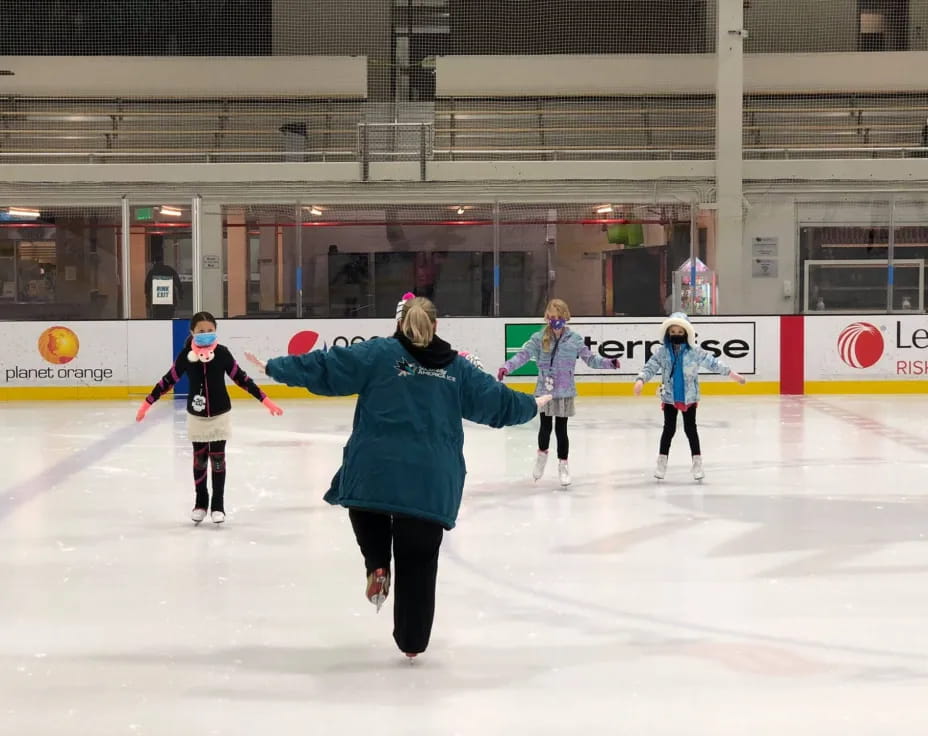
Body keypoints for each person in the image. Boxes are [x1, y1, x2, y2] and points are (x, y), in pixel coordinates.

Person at [244, 297, 548, 659]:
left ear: (400, 324)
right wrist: (532, 405)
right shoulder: (457, 369)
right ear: (435, 327)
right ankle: (412, 642)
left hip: (376, 468)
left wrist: (276, 368)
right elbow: (496, 403)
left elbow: (327, 367)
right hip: (430, 482)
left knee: (363, 502)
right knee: (418, 562)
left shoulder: (378, 353)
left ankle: (376, 561)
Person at [136, 311, 283, 524]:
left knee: (217, 458)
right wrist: (147, 403)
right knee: (200, 458)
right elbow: (168, 380)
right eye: (201, 331)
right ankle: (200, 503)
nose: (206, 334)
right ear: (192, 332)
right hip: (196, 416)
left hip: (220, 413)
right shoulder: (186, 355)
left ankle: (218, 505)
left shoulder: (222, 353)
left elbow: (242, 379)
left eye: (210, 331)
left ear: (216, 331)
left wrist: (266, 401)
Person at [496, 298, 620, 487]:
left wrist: (608, 363)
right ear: (547, 317)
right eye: (552, 317)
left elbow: (591, 359)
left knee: (561, 430)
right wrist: (507, 367)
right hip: (544, 390)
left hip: (565, 391)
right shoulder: (538, 339)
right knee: (545, 427)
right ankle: (541, 457)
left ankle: (563, 465)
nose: (555, 320)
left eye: (559, 316)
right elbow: (523, 355)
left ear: (565, 317)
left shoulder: (575, 340)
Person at [633, 311, 746, 480]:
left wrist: (732, 374)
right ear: (667, 333)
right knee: (668, 430)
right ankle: (661, 462)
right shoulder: (662, 352)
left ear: (686, 333)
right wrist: (641, 380)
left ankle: (697, 463)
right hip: (670, 397)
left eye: (680, 332)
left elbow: (713, 363)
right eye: (673, 332)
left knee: (690, 429)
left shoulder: (694, 352)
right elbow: (650, 366)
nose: (676, 335)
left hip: (689, 397)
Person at [144, 255, 183, 319]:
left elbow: (147, 288)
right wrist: (181, 296)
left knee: (158, 320)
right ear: (162, 262)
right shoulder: (170, 270)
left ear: (154, 262)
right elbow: (178, 284)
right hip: (169, 302)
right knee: (169, 319)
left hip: (157, 303)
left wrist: (148, 300)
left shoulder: (152, 272)